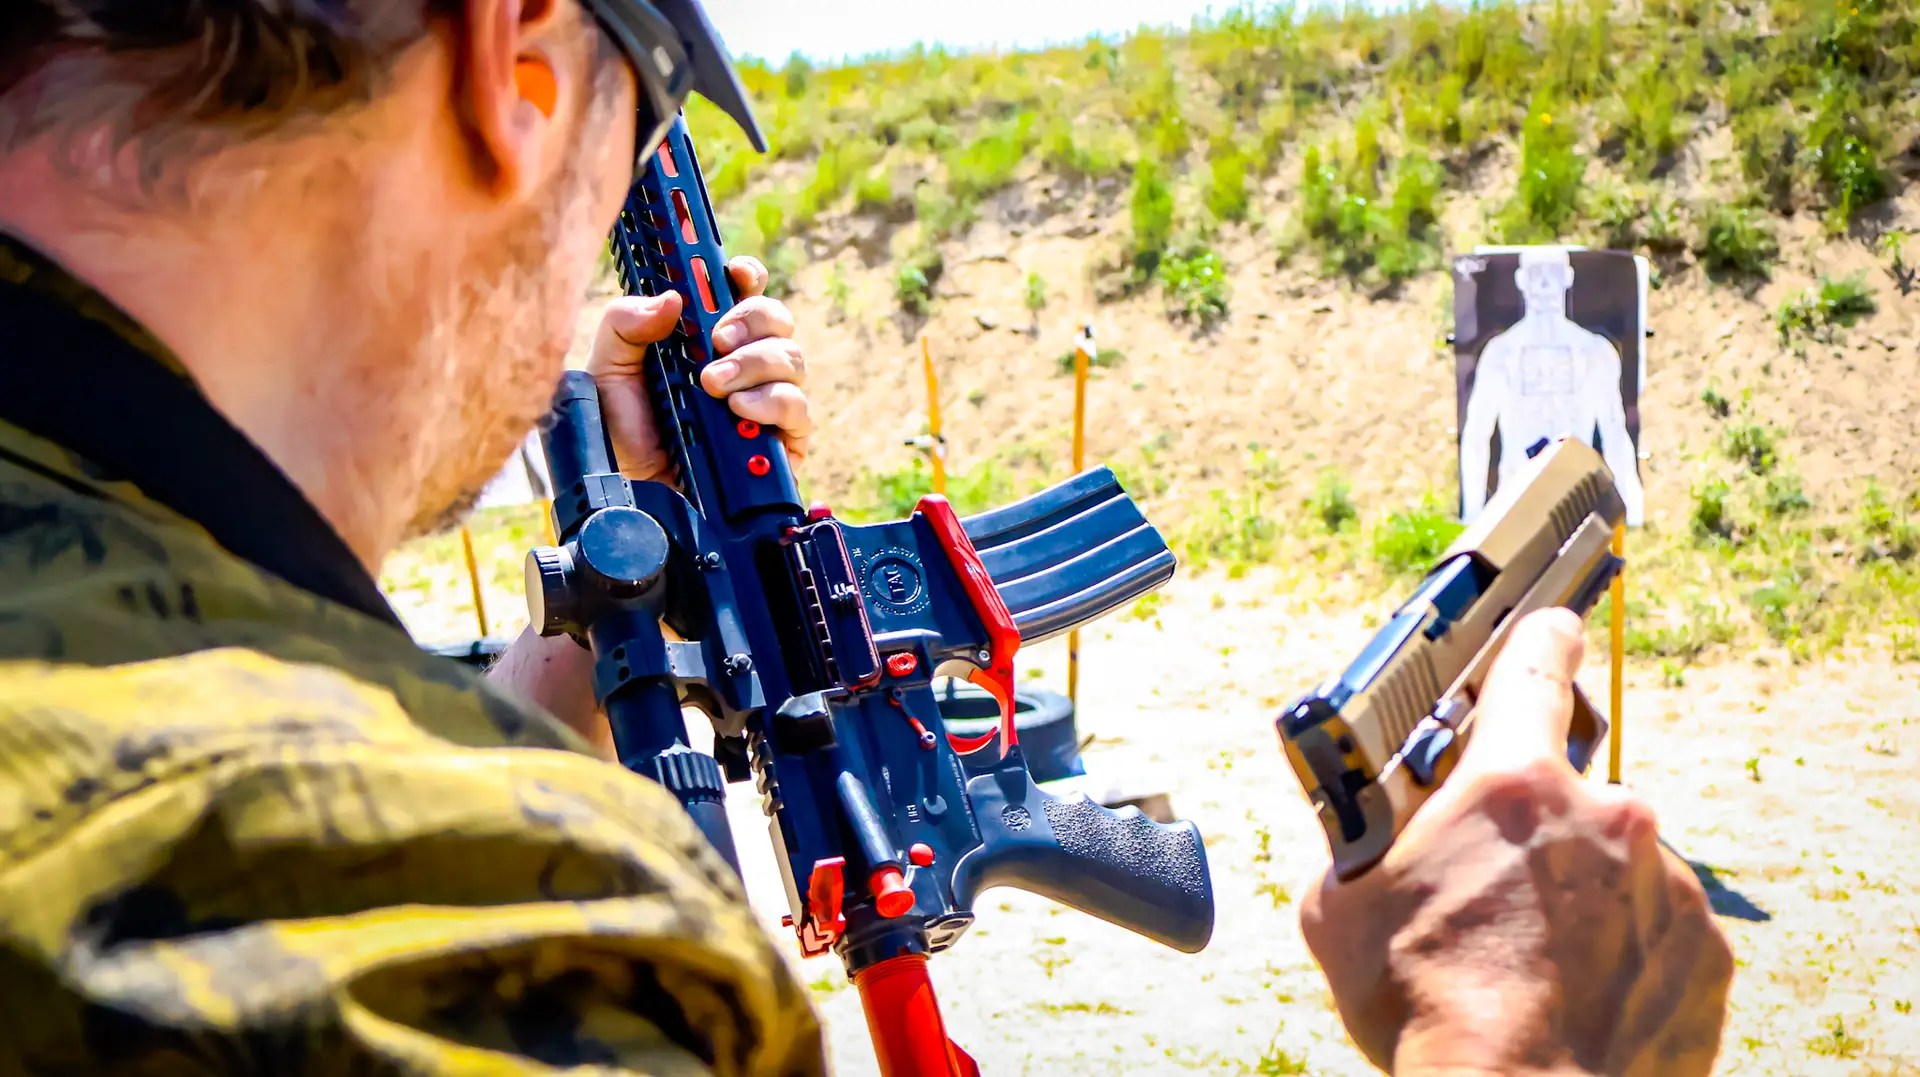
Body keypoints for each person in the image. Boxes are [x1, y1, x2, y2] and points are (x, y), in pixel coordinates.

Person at [0, 3, 1731, 1073]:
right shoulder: (423, 932)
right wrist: (1521, 1039)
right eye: (636, 130)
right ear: (510, 66)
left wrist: (629, 607)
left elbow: (238, 704)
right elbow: (292, 817)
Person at [1460, 248, 1649, 527]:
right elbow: (1477, 433)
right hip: (1515, 499)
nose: (1545, 285)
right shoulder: (1502, 353)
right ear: (1522, 280)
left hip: (1579, 500)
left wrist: (1631, 506)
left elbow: (1614, 432)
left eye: (1553, 274)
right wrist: (1473, 513)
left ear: (1568, 278)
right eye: (1537, 275)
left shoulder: (1594, 352)